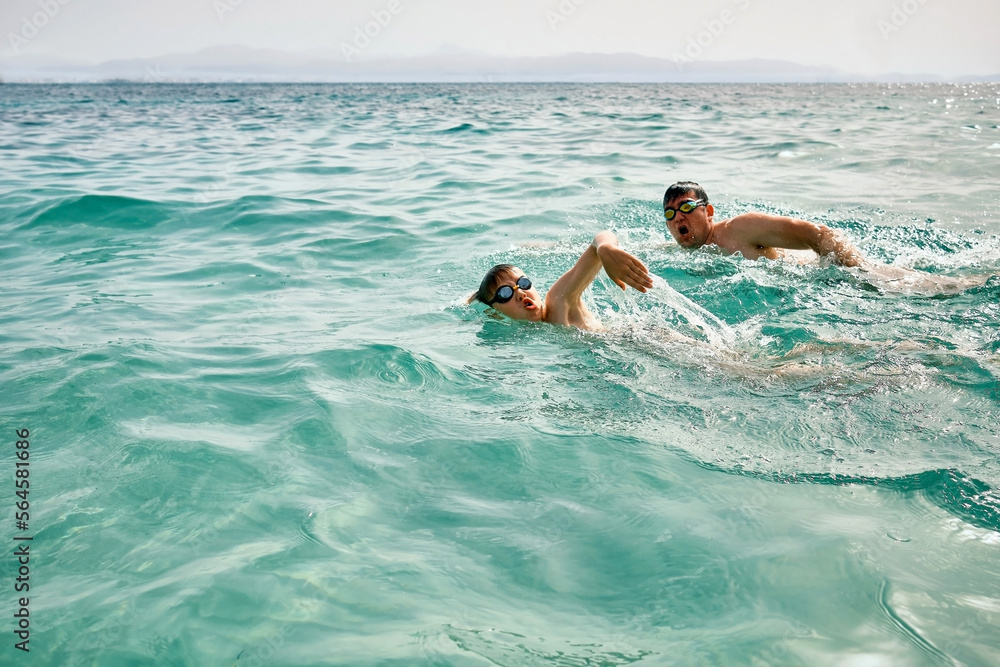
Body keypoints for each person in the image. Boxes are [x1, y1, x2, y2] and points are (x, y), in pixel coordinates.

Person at [470, 231, 653, 331]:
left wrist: (605, 248)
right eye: (505, 293)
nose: (520, 293)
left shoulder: (558, 301)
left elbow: (599, 239)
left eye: (523, 283)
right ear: (494, 313)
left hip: (648, 339)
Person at [662, 180, 863, 266]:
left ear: (709, 212)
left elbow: (820, 234)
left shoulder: (741, 229)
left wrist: (860, 271)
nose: (678, 217)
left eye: (686, 207)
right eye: (669, 213)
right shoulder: (677, 253)